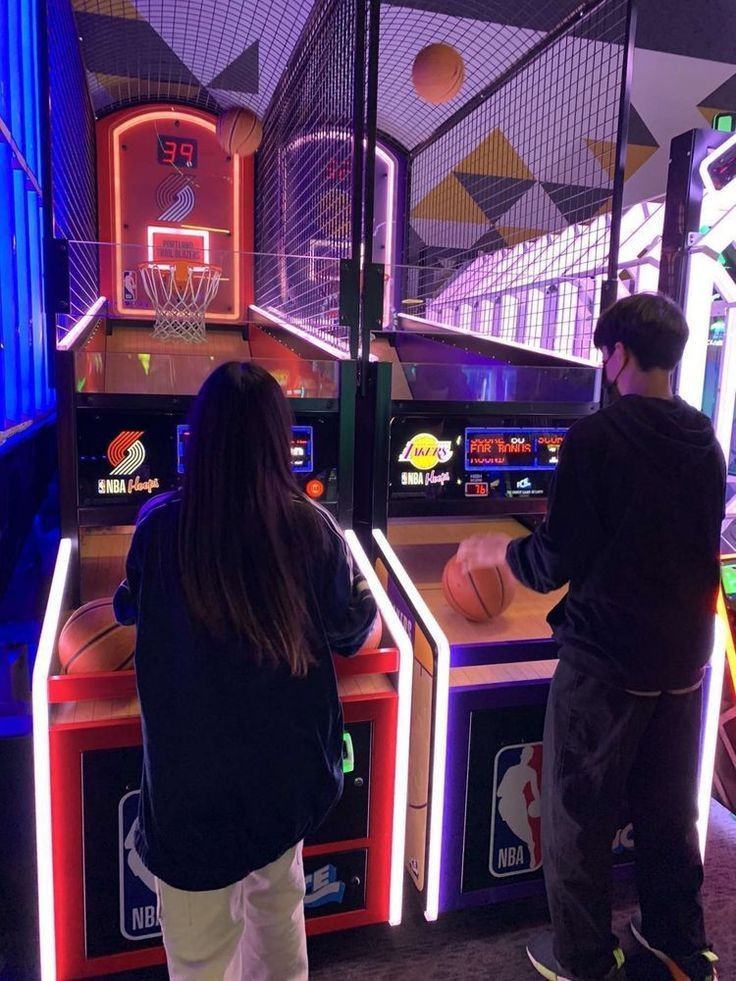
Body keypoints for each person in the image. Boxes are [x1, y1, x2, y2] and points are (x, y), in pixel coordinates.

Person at [458, 294, 724, 981]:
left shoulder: (595, 439)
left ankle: (583, 955)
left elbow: (557, 558)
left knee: (579, 814)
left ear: (619, 355)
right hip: (684, 662)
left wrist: (498, 555)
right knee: (669, 814)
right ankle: (680, 942)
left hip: (607, 661)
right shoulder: (704, 438)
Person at [113, 362, 379, 981]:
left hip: (190, 799)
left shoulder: (157, 527)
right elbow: (360, 634)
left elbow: (128, 607)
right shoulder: (311, 528)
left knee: (202, 957)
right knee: (278, 915)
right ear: (275, 438)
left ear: (197, 437)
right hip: (283, 786)